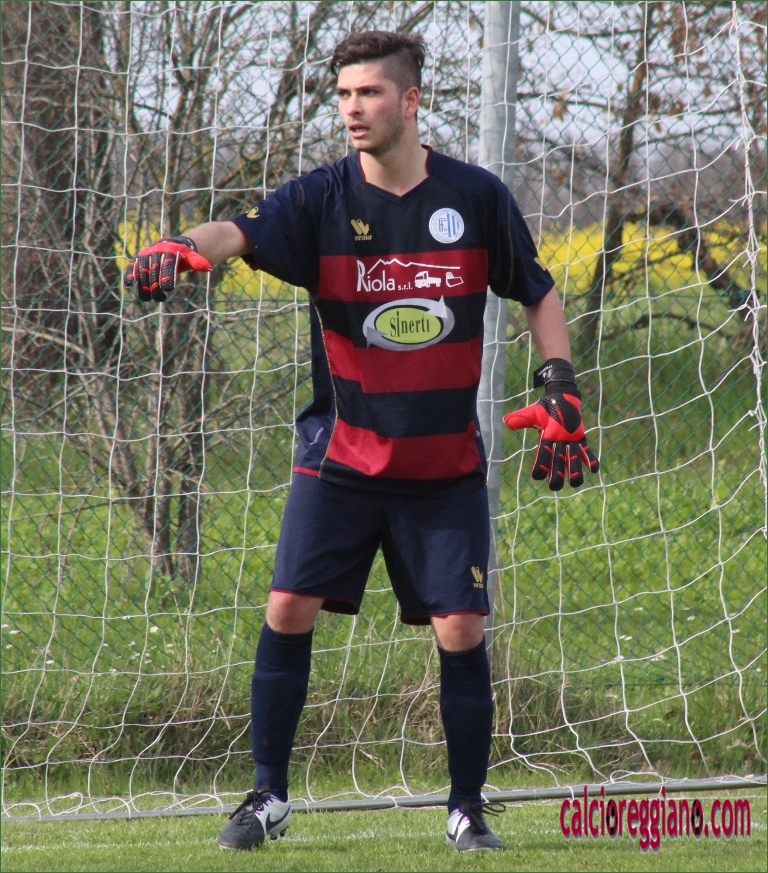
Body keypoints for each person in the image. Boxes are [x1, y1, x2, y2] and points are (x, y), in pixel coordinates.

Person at [124, 30, 599, 852]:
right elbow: (237, 231)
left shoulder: (476, 197)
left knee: (461, 627)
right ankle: (269, 796)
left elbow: (538, 290)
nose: (352, 108)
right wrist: (182, 246)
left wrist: (560, 382)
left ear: (410, 100)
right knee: (287, 605)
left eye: (369, 92)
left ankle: (466, 807)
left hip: (442, 463)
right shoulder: (319, 198)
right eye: (343, 94)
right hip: (341, 454)